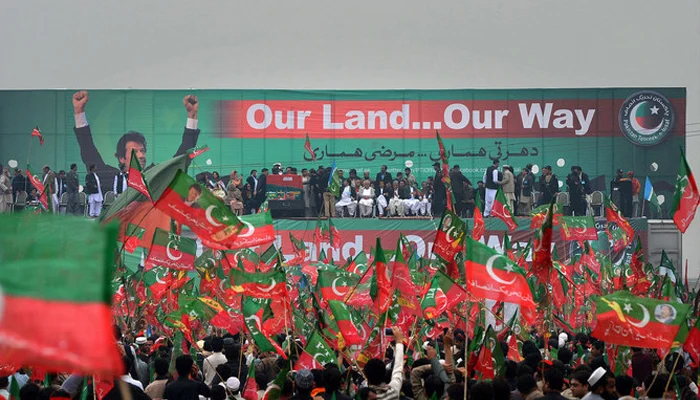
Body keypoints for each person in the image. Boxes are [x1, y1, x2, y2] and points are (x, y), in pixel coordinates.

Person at [72, 91, 200, 193]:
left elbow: (182, 159)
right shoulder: (109, 177)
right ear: (121, 158)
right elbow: (88, 149)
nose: (141, 155)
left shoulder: (155, 176)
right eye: (135, 152)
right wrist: (79, 112)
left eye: (142, 151)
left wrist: (192, 116)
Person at [363, 327, 405, 400]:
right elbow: (398, 368)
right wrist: (399, 341)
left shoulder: (362, 396)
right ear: (384, 373)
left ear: (366, 376)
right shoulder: (393, 392)